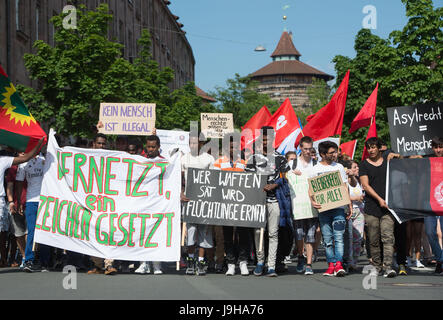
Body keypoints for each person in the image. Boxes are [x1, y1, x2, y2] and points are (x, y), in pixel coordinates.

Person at [247, 126, 290, 277]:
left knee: (273, 233)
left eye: (268, 139)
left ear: (273, 139)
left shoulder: (280, 158)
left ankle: (271, 265)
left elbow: (286, 176)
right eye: (263, 139)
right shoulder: (253, 158)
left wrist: (275, 184)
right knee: (258, 232)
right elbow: (248, 179)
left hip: (274, 201)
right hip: (258, 202)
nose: (266, 142)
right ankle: (260, 262)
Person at [359, 137, 401, 278]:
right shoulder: (364, 164)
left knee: (388, 237)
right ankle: (377, 266)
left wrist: (398, 156)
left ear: (379, 148)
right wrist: (379, 199)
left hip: (388, 207)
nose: (371, 150)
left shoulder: (389, 162)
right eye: (369, 148)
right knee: (373, 238)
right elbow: (365, 185)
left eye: (373, 147)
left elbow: (407, 162)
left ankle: (388, 266)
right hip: (372, 207)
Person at [310, 141, 352, 277]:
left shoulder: (339, 167)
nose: (335, 154)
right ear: (322, 154)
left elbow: (344, 186)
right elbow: (311, 188)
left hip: (339, 208)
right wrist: (312, 201)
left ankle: (339, 265)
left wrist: (349, 204)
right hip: (323, 209)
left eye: (336, 152)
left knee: (339, 237)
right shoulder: (314, 169)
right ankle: (330, 265)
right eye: (332, 152)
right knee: (327, 239)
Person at [212, 132, 249, 276]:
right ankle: (231, 263)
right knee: (227, 234)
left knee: (243, 234)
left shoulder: (245, 162)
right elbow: (214, 181)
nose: (233, 149)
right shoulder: (218, 162)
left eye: (236, 147)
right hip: (225, 204)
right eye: (231, 147)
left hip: (242, 204)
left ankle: (243, 262)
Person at [179, 134, 215, 276]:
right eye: (190, 143)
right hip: (189, 202)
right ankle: (190, 261)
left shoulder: (209, 159)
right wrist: (181, 193)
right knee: (191, 233)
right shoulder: (184, 159)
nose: (192, 145)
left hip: (204, 202)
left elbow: (214, 180)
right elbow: (180, 179)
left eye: (195, 143)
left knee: (204, 234)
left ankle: (201, 262)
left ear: (201, 143)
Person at [134, 134, 166, 275]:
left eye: (153, 147)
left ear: (158, 147)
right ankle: (143, 263)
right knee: (142, 233)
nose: (150, 149)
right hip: (143, 202)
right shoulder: (140, 161)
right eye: (148, 147)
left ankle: (156, 264)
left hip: (158, 202)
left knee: (156, 234)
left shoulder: (165, 162)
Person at [290, 136, 318, 275]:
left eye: (310, 149)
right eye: (305, 148)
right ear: (300, 148)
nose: (308, 151)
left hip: (313, 207)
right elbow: (285, 178)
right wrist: (291, 173)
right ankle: (300, 257)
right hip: (298, 207)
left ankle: (309, 263)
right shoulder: (293, 164)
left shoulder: (316, 164)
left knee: (310, 236)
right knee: (299, 235)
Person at [424, 136, 443, 274]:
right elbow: (413, 162)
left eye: (440, 147)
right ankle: (440, 259)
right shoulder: (427, 161)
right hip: (429, 202)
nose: (438, 150)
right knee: (430, 232)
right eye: (435, 147)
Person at [5, 153, 28, 268]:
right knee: (18, 233)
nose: (23, 154)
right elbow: (9, 185)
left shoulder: (33, 164)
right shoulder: (13, 168)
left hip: (30, 202)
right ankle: (24, 257)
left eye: (25, 152)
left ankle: (29, 257)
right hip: (16, 203)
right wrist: (11, 202)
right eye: (21, 152)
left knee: (29, 232)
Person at [344, 160, 365, 272]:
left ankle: (355, 261)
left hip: (360, 211)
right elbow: (344, 195)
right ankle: (349, 261)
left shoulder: (359, 180)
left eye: (357, 167)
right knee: (349, 237)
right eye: (354, 167)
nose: (357, 169)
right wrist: (356, 198)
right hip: (349, 211)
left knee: (358, 238)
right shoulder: (345, 181)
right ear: (348, 169)